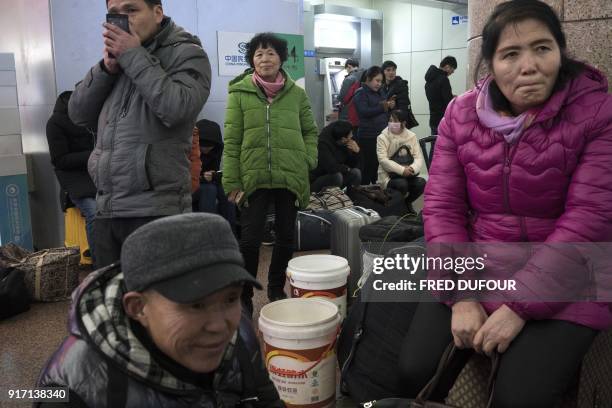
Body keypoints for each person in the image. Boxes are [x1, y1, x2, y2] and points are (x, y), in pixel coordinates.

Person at [400, 1, 612, 406]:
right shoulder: (460, 115)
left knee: (521, 397)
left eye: (542, 48)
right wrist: (461, 294)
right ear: (491, 65)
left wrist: (519, 307)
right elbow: (442, 206)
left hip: (572, 271)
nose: (528, 65)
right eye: (510, 54)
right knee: (413, 370)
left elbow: (591, 218)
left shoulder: (598, 113)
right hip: (477, 263)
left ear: (560, 52)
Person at [36, 213, 284, 408]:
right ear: (138, 307)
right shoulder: (74, 391)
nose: (220, 326)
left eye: (230, 298)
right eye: (196, 304)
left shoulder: (240, 336)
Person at [68, 0, 212, 269]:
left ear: (158, 13)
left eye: (131, 10)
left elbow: (176, 109)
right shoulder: (117, 60)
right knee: (113, 305)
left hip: (156, 209)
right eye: (114, 14)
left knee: (158, 303)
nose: (123, 19)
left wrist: (133, 56)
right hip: (107, 206)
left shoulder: (188, 53)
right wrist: (106, 69)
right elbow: (77, 114)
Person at [222, 33, 318, 312]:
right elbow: (232, 141)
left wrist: (307, 159)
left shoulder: (297, 94)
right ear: (252, 60)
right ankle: (245, 296)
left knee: (287, 235)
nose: (265, 59)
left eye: (271, 53)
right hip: (253, 176)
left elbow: (310, 131)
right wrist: (231, 180)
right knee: (250, 239)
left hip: (290, 172)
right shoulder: (239, 93)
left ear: (281, 58)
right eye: (259, 54)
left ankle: (276, 288)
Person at [46, 91, 97, 260]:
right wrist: (93, 154)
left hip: (98, 173)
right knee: (94, 211)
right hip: (75, 179)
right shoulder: (55, 123)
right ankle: (99, 258)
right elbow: (59, 160)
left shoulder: (91, 118)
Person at [376, 110, 425, 214]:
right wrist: (402, 170)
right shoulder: (382, 137)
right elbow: (383, 160)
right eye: (390, 120)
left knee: (421, 183)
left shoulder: (411, 136)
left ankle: (406, 203)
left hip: (408, 174)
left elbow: (418, 157)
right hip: (389, 175)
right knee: (401, 184)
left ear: (403, 123)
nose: (391, 123)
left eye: (395, 121)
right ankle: (398, 207)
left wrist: (412, 168)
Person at [353, 66, 396, 185]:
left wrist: (389, 105)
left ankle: (378, 196)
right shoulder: (360, 93)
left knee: (379, 168)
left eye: (381, 81)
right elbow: (364, 112)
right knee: (368, 168)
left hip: (382, 135)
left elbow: (383, 110)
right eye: (377, 80)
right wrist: (383, 106)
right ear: (368, 79)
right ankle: (364, 196)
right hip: (368, 136)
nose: (379, 84)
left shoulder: (380, 92)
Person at [194, 119, 236, 230]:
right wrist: (203, 178)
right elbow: (184, 177)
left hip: (208, 181)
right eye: (204, 146)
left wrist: (215, 176)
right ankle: (208, 231)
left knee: (226, 188)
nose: (207, 149)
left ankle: (230, 231)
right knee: (209, 189)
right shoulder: (189, 150)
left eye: (210, 146)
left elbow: (219, 171)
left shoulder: (216, 149)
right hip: (194, 184)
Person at [310, 120, 361, 193]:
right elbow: (331, 168)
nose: (352, 136)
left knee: (356, 173)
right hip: (317, 180)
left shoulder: (346, 141)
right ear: (343, 139)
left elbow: (354, 165)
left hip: (338, 173)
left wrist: (357, 152)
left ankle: (351, 200)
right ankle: (332, 202)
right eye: (350, 135)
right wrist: (347, 169)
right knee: (337, 176)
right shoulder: (323, 144)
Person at [425, 55, 457, 135]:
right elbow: (448, 102)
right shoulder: (443, 79)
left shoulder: (429, 80)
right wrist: (454, 99)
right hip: (443, 120)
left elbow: (436, 97)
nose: (452, 72)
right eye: (453, 69)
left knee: (434, 145)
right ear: (447, 66)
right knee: (443, 146)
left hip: (433, 119)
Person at [381, 60, 418, 129]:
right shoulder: (382, 87)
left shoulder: (400, 85)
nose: (391, 72)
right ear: (383, 72)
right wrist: (387, 104)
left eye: (393, 70)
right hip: (386, 121)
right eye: (388, 70)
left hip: (398, 121)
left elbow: (403, 106)